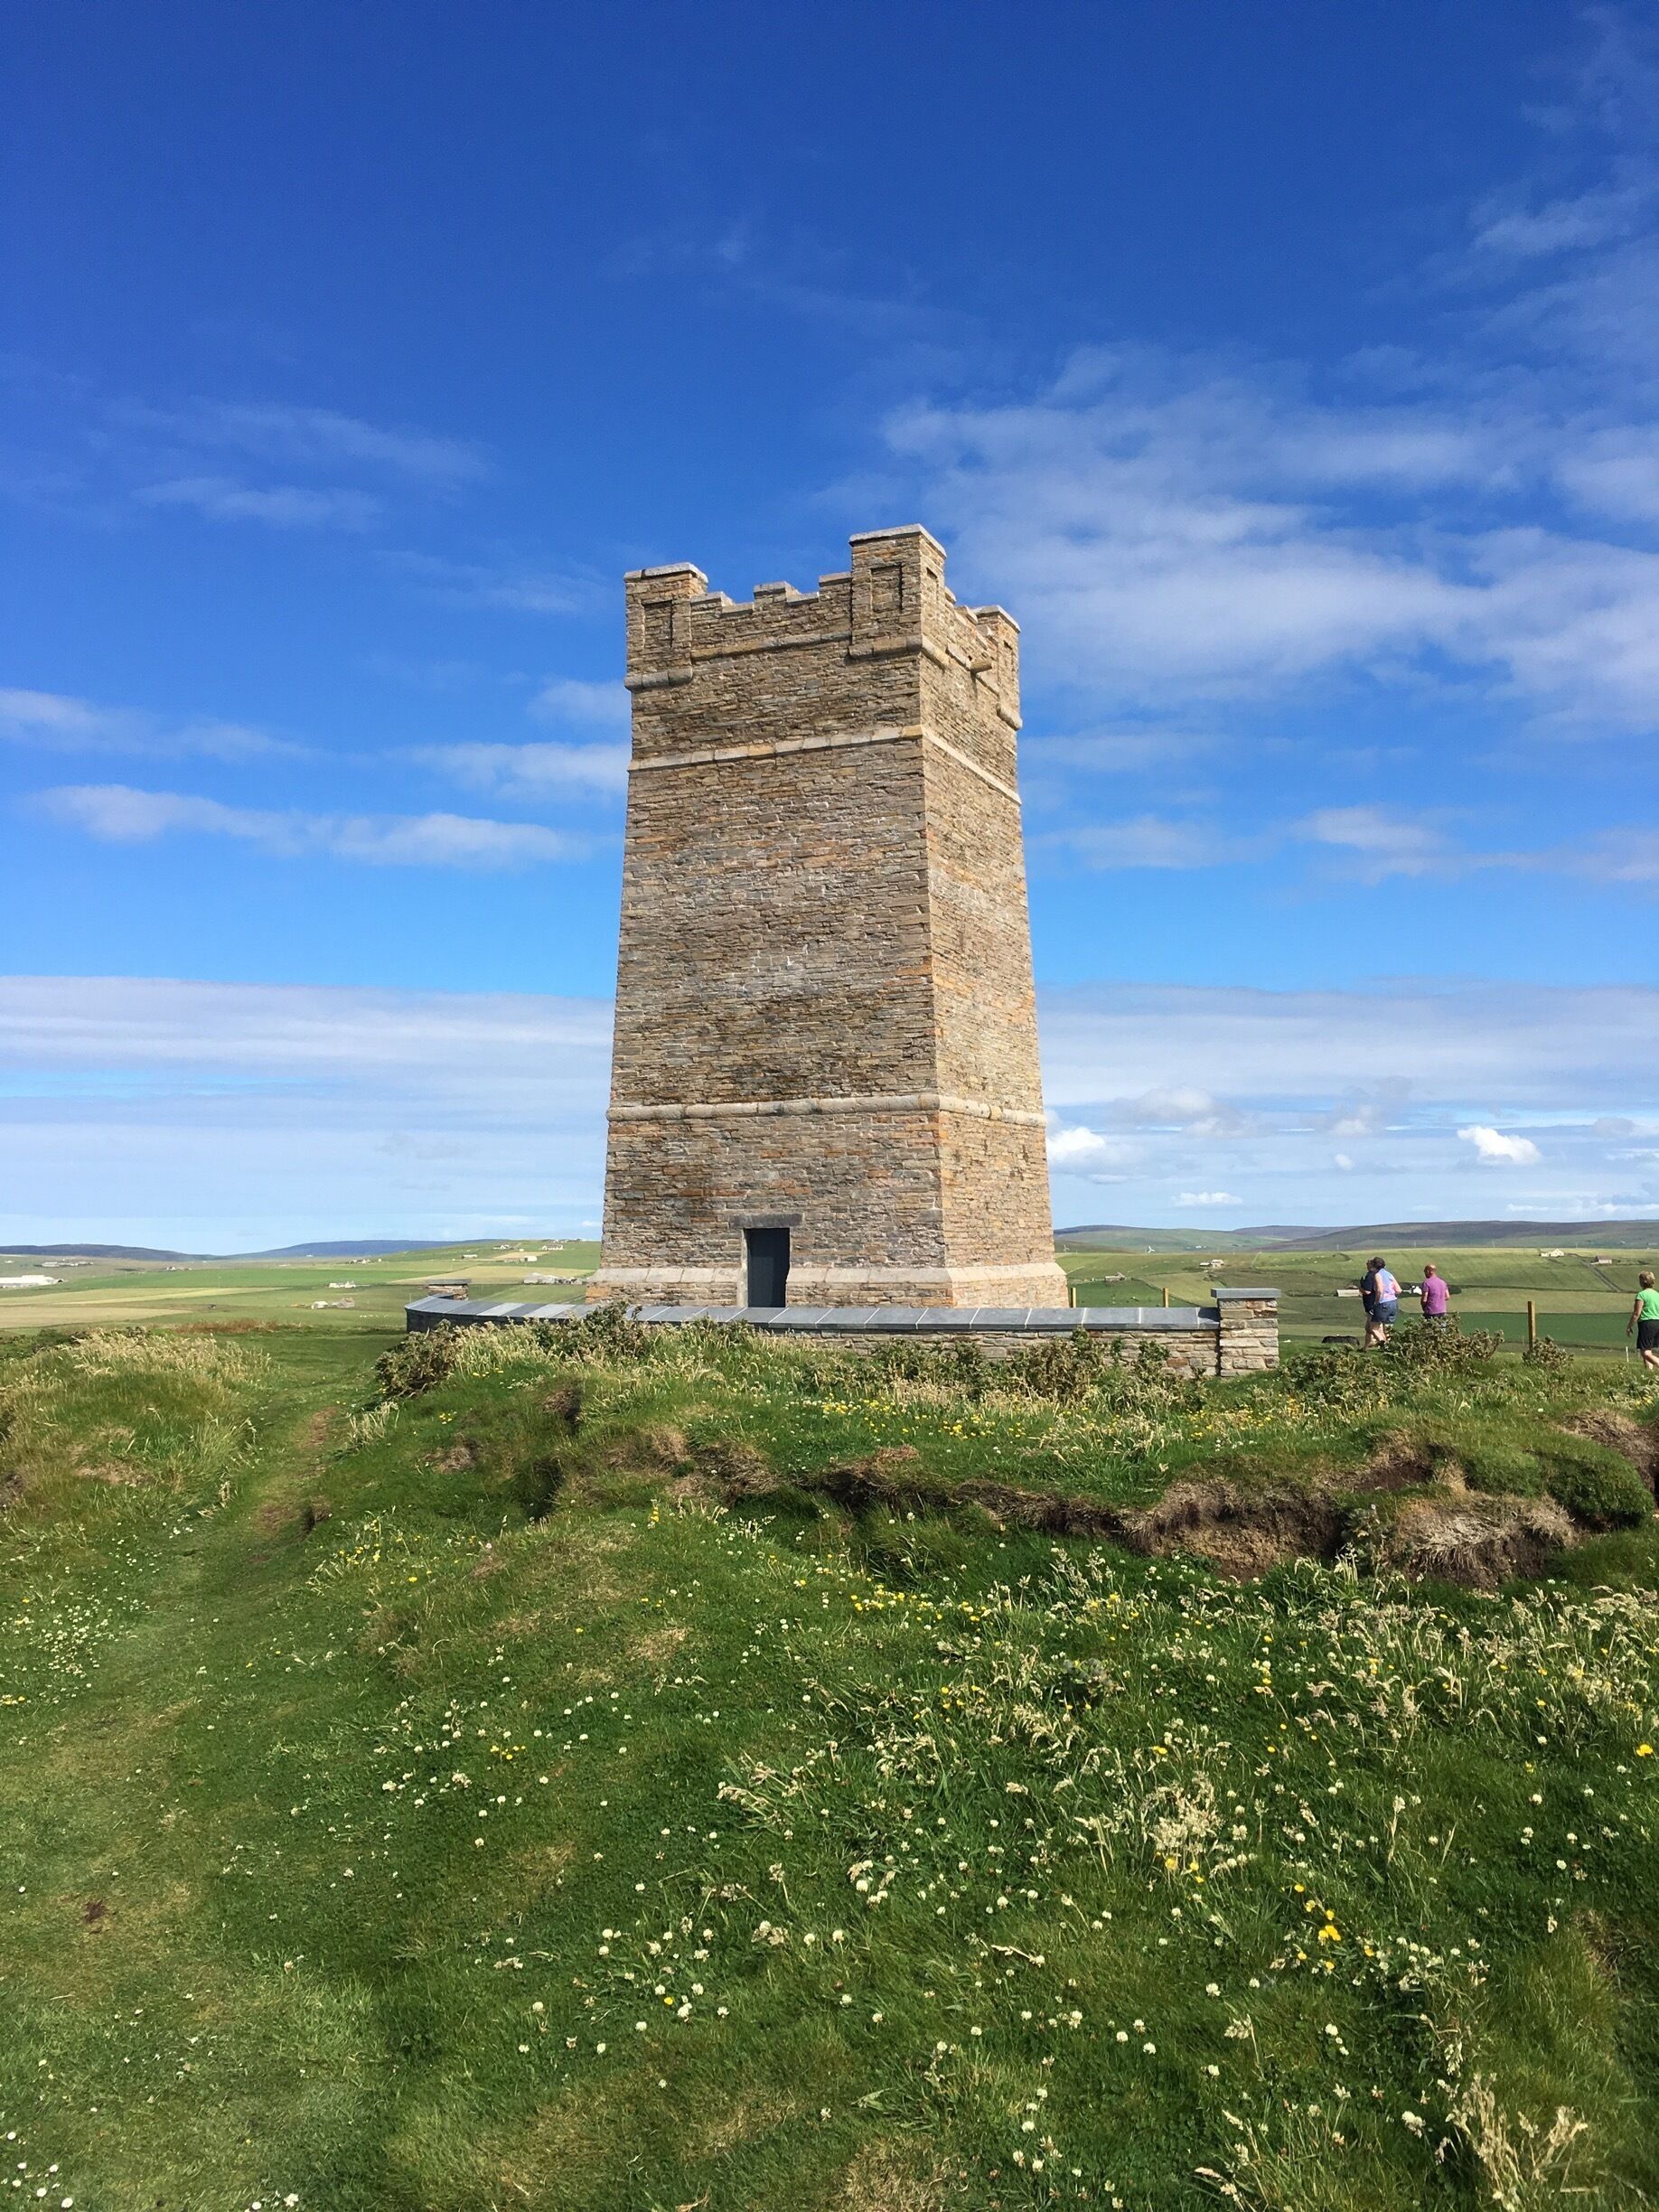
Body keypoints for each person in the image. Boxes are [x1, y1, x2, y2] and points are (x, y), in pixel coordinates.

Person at [1361, 1254, 1401, 1347]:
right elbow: (1399, 1290)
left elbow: (1379, 1290)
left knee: (1373, 1327)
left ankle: (1384, 1344)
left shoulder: (1378, 1275)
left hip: (1383, 1303)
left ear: (1374, 1266)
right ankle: (1390, 1347)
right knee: (1388, 1329)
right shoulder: (1389, 1274)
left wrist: (1377, 1302)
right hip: (1394, 1302)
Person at [1629, 1270, 1659, 1373]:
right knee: (1648, 1349)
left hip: (1647, 1323)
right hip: (1657, 1323)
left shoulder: (1641, 1295)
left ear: (1643, 1281)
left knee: (1645, 1352)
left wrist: (1629, 1326)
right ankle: (1649, 1373)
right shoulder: (1657, 1294)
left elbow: (1637, 1313)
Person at [1420, 1262, 1450, 1326]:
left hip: (1431, 1311)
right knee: (1442, 1331)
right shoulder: (1443, 1282)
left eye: (1425, 1271)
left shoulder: (1426, 1283)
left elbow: (1424, 1299)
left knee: (1429, 1331)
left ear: (1429, 1271)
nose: (1425, 1273)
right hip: (1442, 1311)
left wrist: (1423, 1305)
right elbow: (1447, 1296)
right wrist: (1439, 1299)